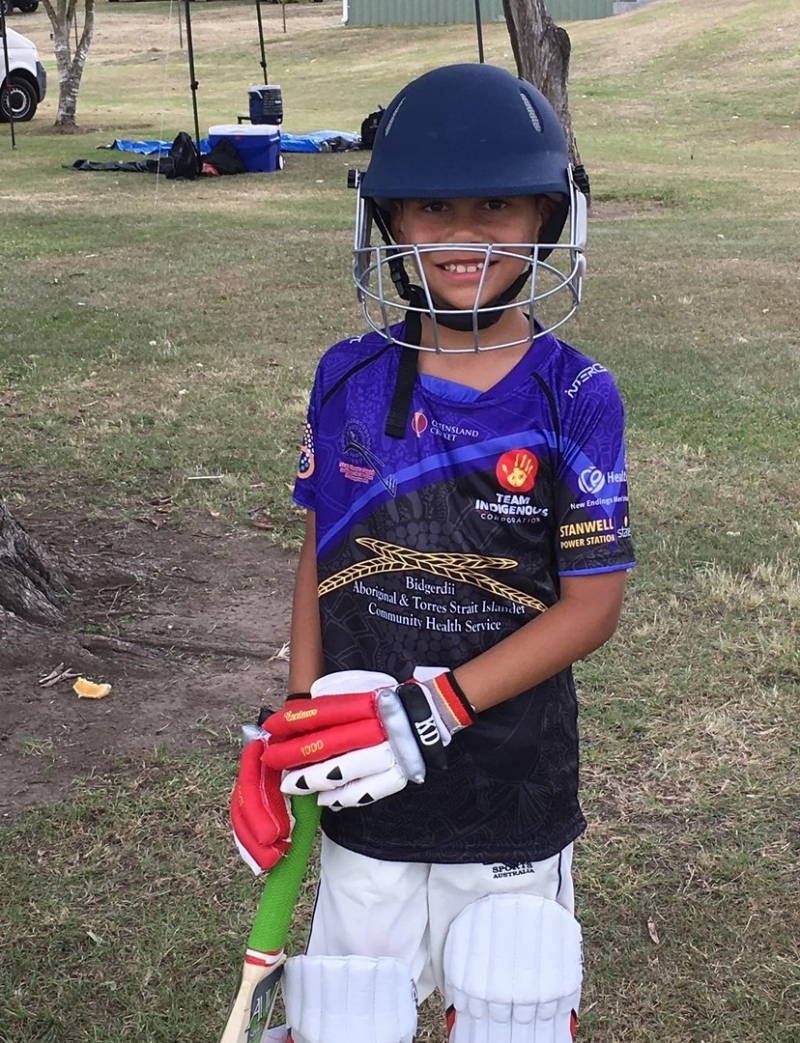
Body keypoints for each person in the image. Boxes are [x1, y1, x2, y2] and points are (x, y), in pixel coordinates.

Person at [233, 62, 635, 1043]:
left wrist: (434, 709)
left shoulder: (574, 395)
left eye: (496, 202)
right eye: (430, 205)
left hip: (508, 784)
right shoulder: (347, 376)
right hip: (365, 780)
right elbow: (317, 555)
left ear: (549, 213)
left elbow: (590, 606)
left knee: (509, 1011)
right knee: (345, 1021)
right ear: (388, 220)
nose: (462, 233)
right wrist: (293, 722)